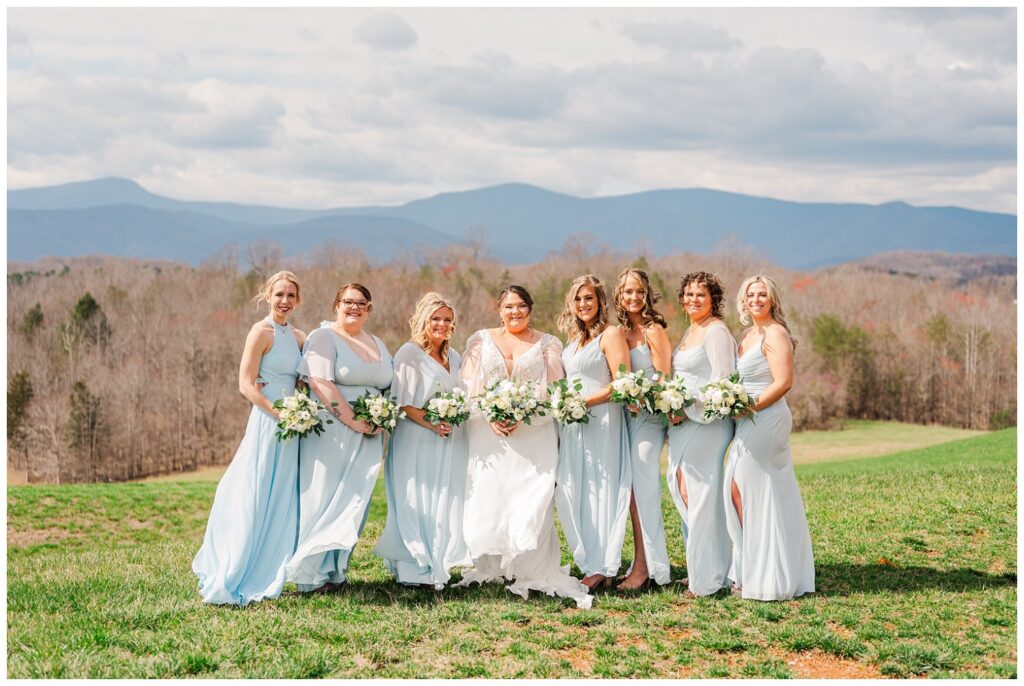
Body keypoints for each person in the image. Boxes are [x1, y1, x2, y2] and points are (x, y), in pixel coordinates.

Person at [457, 285, 593, 608]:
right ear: (499, 310)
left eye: (521, 307)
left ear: (530, 309)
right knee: (494, 496)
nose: (514, 312)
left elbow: (556, 393)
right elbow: (466, 389)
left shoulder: (548, 344)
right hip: (489, 436)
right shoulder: (480, 341)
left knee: (531, 498)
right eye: (508, 307)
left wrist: (525, 416)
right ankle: (494, 563)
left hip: (534, 435)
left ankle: (530, 565)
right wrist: (490, 416)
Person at [193, 271, 306, 606]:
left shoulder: (299, 337)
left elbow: (301, 380)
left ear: (298, 300)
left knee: (283, 494)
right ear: (267, 296)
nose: (284, 301)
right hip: (269, 422)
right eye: (279, 295)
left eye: (290, 296)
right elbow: (245, 384)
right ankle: (239, 565)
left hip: (295, 425)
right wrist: (278, 412)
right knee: (256, 491)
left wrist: (301, 410)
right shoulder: (261, 332)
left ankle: (275, 563)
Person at [286, 283, 394, 593]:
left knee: (355, 500)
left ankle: (335, 572)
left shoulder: (377, 342)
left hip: (370, 433)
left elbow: (388, 383)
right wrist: (355, 421)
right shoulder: (324, 337)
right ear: (336, 305)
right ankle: (309, 575)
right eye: (347, 302)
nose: (354, 307)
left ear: (369, 309)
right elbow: (320, 383)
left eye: (361, 303)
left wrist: (380, 417)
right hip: (334, 431)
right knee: (324, 497)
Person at [724, 274, 815, 601]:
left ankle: (762, 573)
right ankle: (755, 566)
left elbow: (784, 382)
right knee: (743, 491)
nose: (757, 299)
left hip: (767, 417)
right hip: (748, 417)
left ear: (772, 299)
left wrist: (749, 406)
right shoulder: (749, 334)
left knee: (750, 492)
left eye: (763, 294)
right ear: (744, 300)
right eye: (751, 294)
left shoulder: (776, 333)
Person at [374, 293, 471, 588]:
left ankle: (437, 562)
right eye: (435, 319)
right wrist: (432, 423)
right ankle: (413, 566)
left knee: (444, 498)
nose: (442, 324)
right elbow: (402, 402)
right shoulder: (409, 352)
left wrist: (451, 418)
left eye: (447, 319)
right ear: (423, 321)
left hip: (447, 440)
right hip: (416, 438)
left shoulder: (453, 357)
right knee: (416, 495)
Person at [554, 275, 632, 591]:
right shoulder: (574, 341)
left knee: (601, 488)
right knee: (573, 489)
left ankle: (603, 565)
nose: (584, 304)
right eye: (578, 299)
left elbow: (622, 383)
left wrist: (584, 401)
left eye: (589, 298)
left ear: (600, 302)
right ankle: (590, 560)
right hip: (573, 423)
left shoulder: (610, 335)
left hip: (602, 419)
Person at [666, 271, 736, 596]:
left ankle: (707, 578)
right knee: (684, 491)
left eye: (701, 295)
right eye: (689, 294)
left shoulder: (716, 332)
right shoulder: (690, 331)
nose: (693, 300)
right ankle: (704, 567)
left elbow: (724, 384)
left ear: (713, 300)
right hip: (683, 422)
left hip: (707, 423)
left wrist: (689, 406)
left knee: (700, 495)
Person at [612, 268, 673, 590]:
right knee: (632, 491)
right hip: (626, 418)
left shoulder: (654, 331)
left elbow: (664, 377)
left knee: (644, 488)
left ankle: (649, 568)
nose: (633, 297)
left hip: (649, 419)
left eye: (638, 291)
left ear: (647, 294)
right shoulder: (619, 333)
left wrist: (642, 396)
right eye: (626, 292)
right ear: (618, 297)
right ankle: (641, 561)